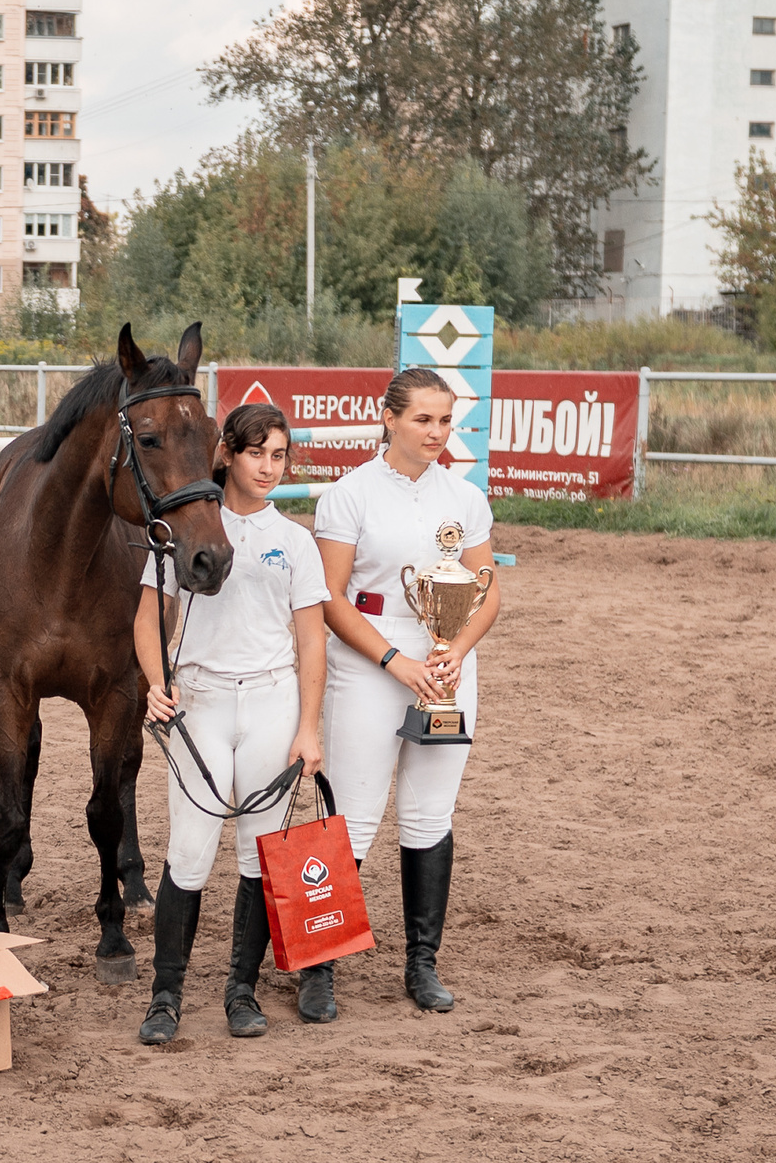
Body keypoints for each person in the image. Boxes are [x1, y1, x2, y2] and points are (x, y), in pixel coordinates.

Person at [309, 367, 504, 1019]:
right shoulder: (348, 494)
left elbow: (486, 588)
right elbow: (330, 599)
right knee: (353, 817)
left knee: (429, 815)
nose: (437, 432)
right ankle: (319, 965)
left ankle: (422, 963)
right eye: (424, 418)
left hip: (446, 662)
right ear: (388, 416)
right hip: (371, 656)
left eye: (446, 420)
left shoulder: (466, 496)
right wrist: (395, 659)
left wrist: (457, 648)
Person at [131, 402, 326, 1043]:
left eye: (279, 456)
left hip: (272, 700)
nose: (268, 468)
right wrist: (158, 682)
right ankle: (166, 996)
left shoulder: (295, 542)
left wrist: (309, 728)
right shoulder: (179, 531)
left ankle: (241, 991)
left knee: (259, 852)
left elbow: (311, 642)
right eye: (255, 454)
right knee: (190, 850)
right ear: (227, 456)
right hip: (204, 699)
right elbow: (149, 618)